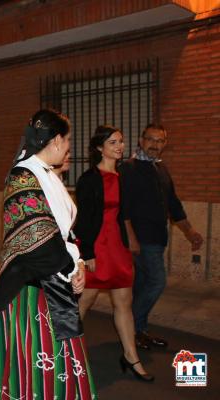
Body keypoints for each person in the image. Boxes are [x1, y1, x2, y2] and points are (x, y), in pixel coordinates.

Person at [0, 109, 95, 400]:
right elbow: (39, 240)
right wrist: (70, 268)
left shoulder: (46, 175)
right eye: (67, 141)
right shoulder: (23, 176)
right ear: (55, 140)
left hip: (55, 281)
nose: (68, 147)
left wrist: (77, 265)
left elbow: (62, 233)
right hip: (30, 291)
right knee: (34, 364)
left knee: (55, 367)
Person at [74, 126, 154, 382]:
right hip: (96, 247)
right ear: (99, 147)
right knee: (83, 302)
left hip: (117, 248)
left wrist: (129, 243)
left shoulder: (122, 176)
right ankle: (62, 351)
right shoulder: (89, 179)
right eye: (113, 142)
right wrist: (86, 253)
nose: (119, 146)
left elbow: (123, 215)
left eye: (120, 141)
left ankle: (131, 357)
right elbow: (84, 219)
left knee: (124, 303)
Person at [119, 124, 203, 350]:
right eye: (150, 139)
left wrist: (190, 231)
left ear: (164, 144)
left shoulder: (161, 168)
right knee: (157, 281)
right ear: (141, 140)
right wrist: (131, 238)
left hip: (158, 237)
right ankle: (129, 326)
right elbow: (123, 208)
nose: (155, 145)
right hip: (141, 238)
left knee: (143, 284)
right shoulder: (128, 168)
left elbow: (173, 203)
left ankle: (137, 332)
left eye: (160, 141)